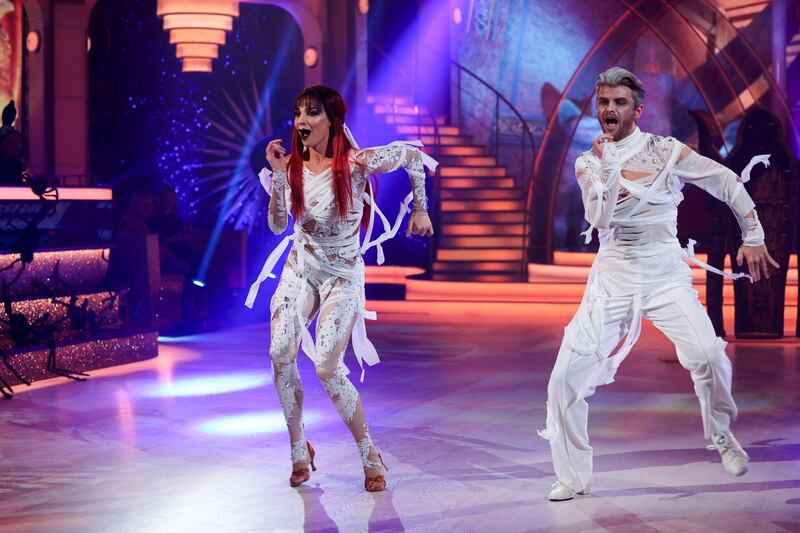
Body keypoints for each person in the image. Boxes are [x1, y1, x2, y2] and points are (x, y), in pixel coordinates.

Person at [538, 67, 778, 501]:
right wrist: (608, 166)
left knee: (707, 354)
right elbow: (600, 218)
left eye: (619, 102)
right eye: (604, 102)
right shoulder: (588, 161)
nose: (610, 109)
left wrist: (754, 235)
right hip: (613, 278)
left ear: (638, 109)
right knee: (563, 381)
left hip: (664, 273)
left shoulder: (665, 151)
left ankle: (721, 434)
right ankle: (572, 477)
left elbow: (723, 180)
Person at [245, 85, 436, 492]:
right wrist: (278, 177)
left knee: (327, 368)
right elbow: (279, 225)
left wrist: (420, 208)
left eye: (311, 113)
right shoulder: (291, 168)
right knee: (280, 353)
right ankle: (299, 449)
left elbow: (413, 156)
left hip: (342, 276)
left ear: (333, 120)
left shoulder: (356, 163)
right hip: (301, 270)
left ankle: (370, 453)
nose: (301, 121)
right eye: (297, 113)